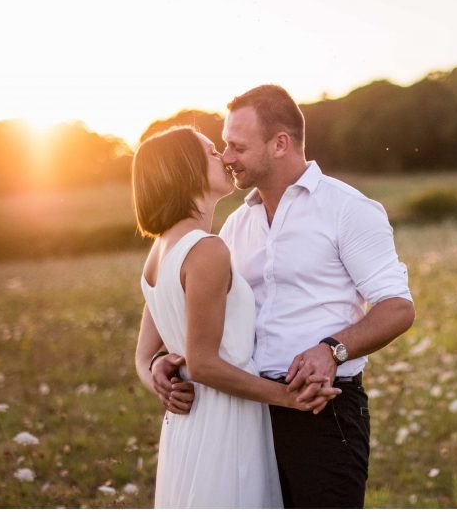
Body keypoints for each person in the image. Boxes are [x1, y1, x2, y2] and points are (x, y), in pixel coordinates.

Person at [152, 85, 415, 508]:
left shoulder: (348, 208)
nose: (227, 157)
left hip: (319, 408)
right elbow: (214, 315)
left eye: (237, 146)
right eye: (224, 146)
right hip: (246, 412)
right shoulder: (235, 225)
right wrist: (162, 360)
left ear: (280, 144)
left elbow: (398, 308)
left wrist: (332, 350)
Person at [132, 126, 341, 508]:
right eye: (212, 152)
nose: (225, 158)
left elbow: (145, 358)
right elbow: (205, 364)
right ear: (186, 171)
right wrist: (290, 399)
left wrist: (157, 378)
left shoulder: (159, 252)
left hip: (189, 423)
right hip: (225, 422)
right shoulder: (206, 250)